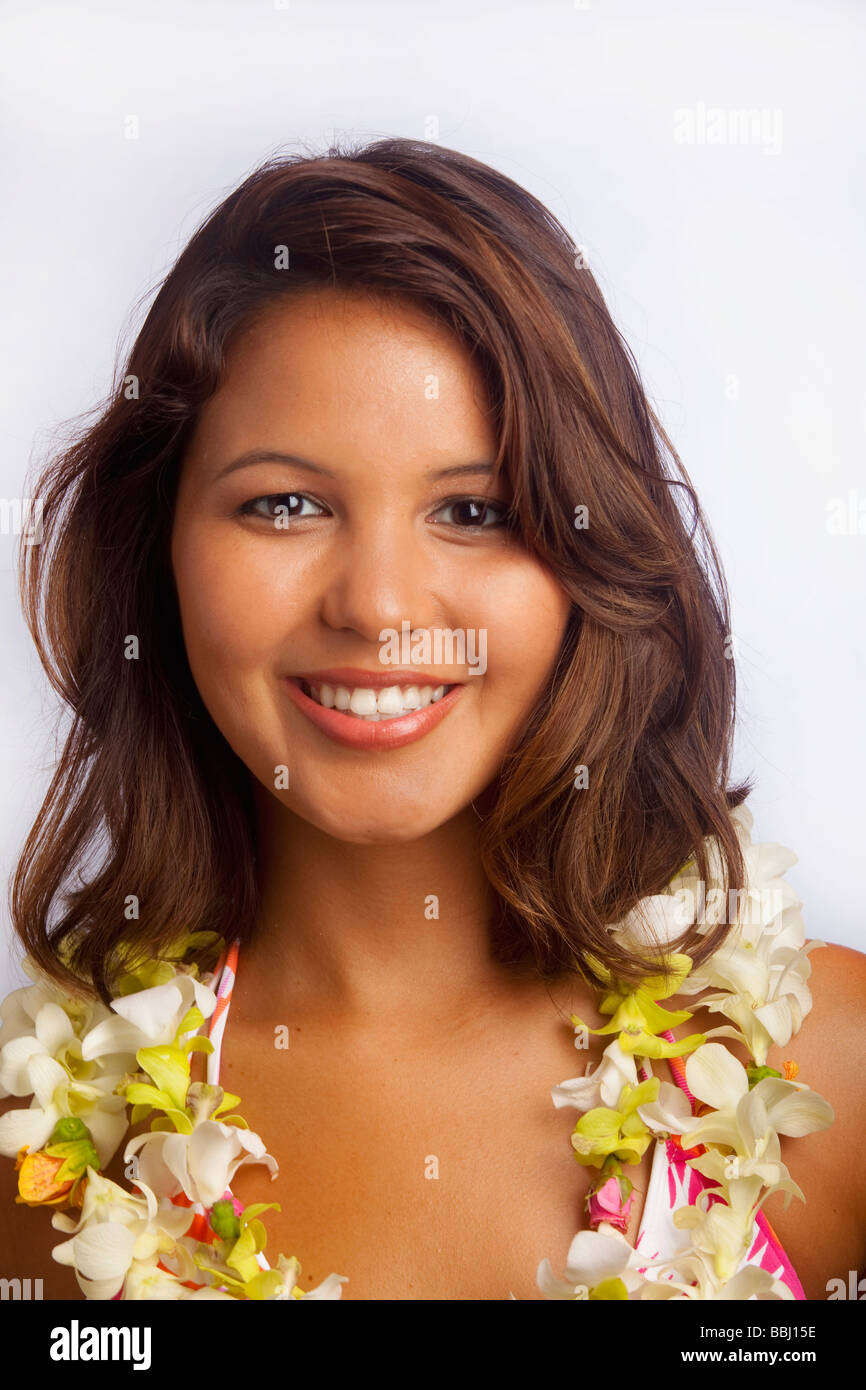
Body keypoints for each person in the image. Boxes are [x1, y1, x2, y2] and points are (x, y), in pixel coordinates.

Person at [1, 138, 864, 1301]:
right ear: (159, 552)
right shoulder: (43, 1164)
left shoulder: (831, 1074)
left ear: (587, 556)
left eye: (472, 509)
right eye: (285, 503)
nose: (380, 609)